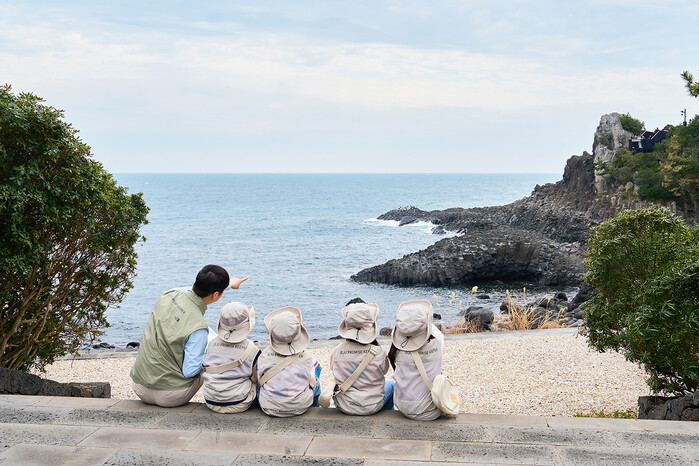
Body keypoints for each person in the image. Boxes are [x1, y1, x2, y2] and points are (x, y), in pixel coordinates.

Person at [130, 265, 248, 407]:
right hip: (170, 396)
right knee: (212, 359)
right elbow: (190, 371)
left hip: (139, 387)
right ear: (215, 295)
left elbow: (188, 291)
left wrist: (228, 285)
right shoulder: (198, 328)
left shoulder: (167, 295)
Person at [329, 298, 394, 415]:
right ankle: (387, 417)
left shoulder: (337, 351)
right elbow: (384, 371)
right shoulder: (379, 352)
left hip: (345, 405)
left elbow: (334, 370)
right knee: (391, 385)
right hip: (372, 406)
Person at [256, 306, 321, 417]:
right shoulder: (307, 359)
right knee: (316, 385)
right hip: (299, 407)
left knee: (259, 384)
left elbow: (258, 377)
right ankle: (314, 411)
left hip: (269, 407)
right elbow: (312, 380)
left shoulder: (264, 356)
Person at [388, 299, 444, 420]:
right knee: (444, 379)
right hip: (431, 411)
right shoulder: (437, 342)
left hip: (404, 408)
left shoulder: (396, 348)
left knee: (390, 384)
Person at [201, 302, 261, 413]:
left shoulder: (211, 344)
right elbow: (256, 378)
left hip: (211, 400)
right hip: (239, 403)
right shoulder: (253, 350)